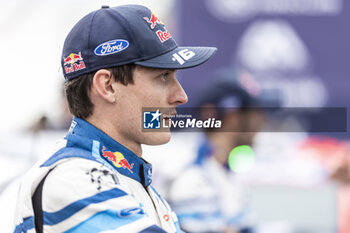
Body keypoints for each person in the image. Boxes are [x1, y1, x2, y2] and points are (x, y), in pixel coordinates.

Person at [13, 5, 216, 233]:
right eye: (163, 76)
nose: (181, 96)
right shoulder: (73, 178)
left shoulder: (129, 177)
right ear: (107, 86)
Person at [167, 69, 277, 233]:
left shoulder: (222, 170)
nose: (263, 121)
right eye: (256, 113)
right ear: (232, 118)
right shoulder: (192, 178)